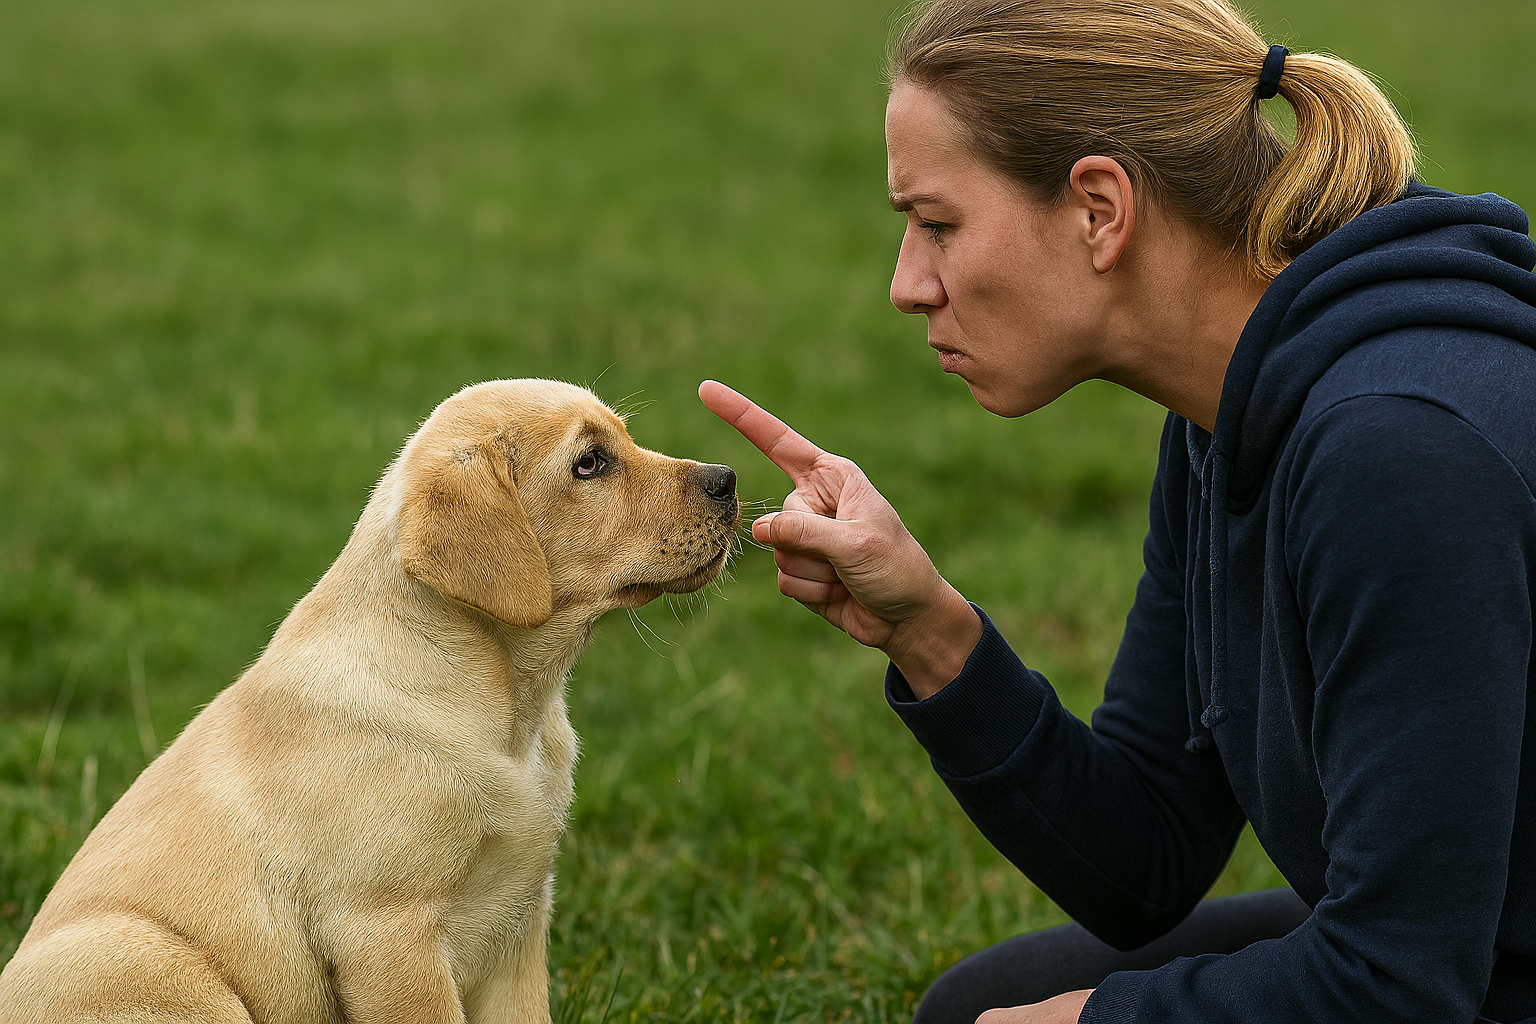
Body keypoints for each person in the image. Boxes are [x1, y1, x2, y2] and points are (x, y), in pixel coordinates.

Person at [698, 0, 1536, 1022]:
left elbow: (1402, 985)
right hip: (1459, 957)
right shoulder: (1229, 415)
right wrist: (927, 630)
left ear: (1100, 210)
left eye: (938, 224)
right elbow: (1147, 857)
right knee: (982, 1003)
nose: (907, 284)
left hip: (1443, 977)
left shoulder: (1400, 449)